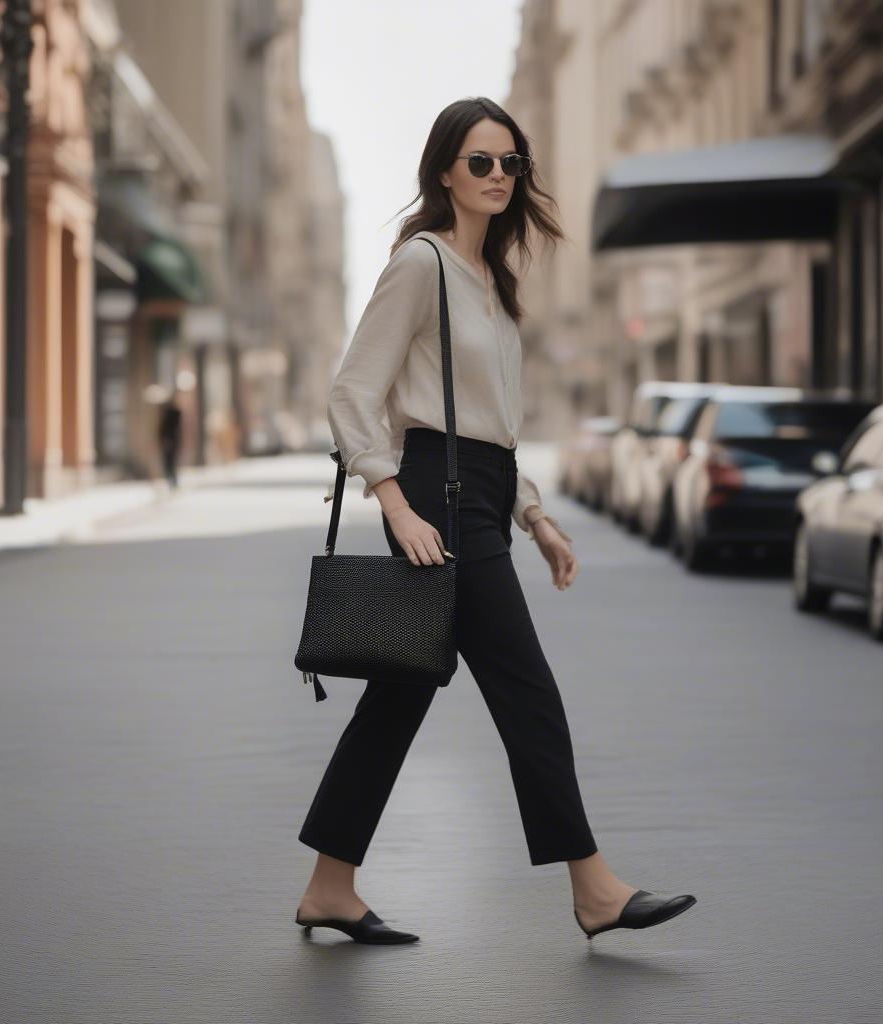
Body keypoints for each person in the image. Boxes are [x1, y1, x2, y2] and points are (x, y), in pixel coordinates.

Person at [295, 97, 696, 945]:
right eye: (480, 161)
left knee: (397, 701)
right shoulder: (423, 263)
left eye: (511, 163)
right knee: (528, 694)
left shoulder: (491, 281)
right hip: (435, 500)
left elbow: (494, 425)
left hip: (479, 491)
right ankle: (593, 889)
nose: (498, 177)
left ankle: (330, 887)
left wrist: (537, 519)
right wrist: (393, 501)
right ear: (445, 171)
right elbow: (352, 393)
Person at [157, 390, 182, 489]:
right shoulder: (168, 412)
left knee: (170, 461)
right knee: (169, 462)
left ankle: (172, 480)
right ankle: (171, 480)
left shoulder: (173, 413)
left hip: (171, 440)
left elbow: (166, 428)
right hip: (170, 440)